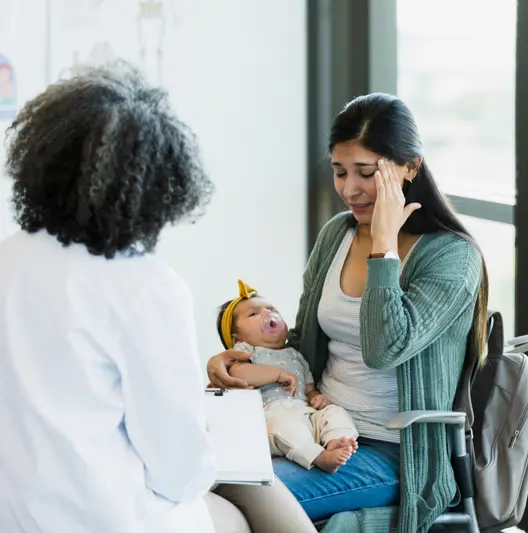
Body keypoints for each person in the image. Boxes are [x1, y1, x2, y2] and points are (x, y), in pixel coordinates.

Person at [0, 62, 316, 533]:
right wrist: (200, 440)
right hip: (105, 517)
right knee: (248, 500)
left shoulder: (10, 256)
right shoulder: (145, 285)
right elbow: (182, 474)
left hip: (17, 511)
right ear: (157, 188)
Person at [208, 93, 489, 533]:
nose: (350, 189)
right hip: (311, 424)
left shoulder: (452, 258)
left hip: (394, 450)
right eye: (340, 172)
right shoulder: (336, 235)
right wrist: (237, 359)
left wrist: (383, 247)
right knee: (202, 473)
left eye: (367, 173)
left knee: (235, 492)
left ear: (410, 167)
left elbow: (384, 348)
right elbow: (303, 348)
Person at [216, 280, 359, 473]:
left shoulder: (294, 354)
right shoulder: (246, 352)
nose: (267, 314)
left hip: (304, 413)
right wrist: (277, 374)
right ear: (236, 338)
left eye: (270, 308)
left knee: (334, 412)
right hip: (270, 418)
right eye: (254, 313)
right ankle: (318, 457)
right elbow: (238, 374)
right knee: (282, 427)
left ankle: (336, 441)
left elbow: (308, 387)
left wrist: (316, 396)